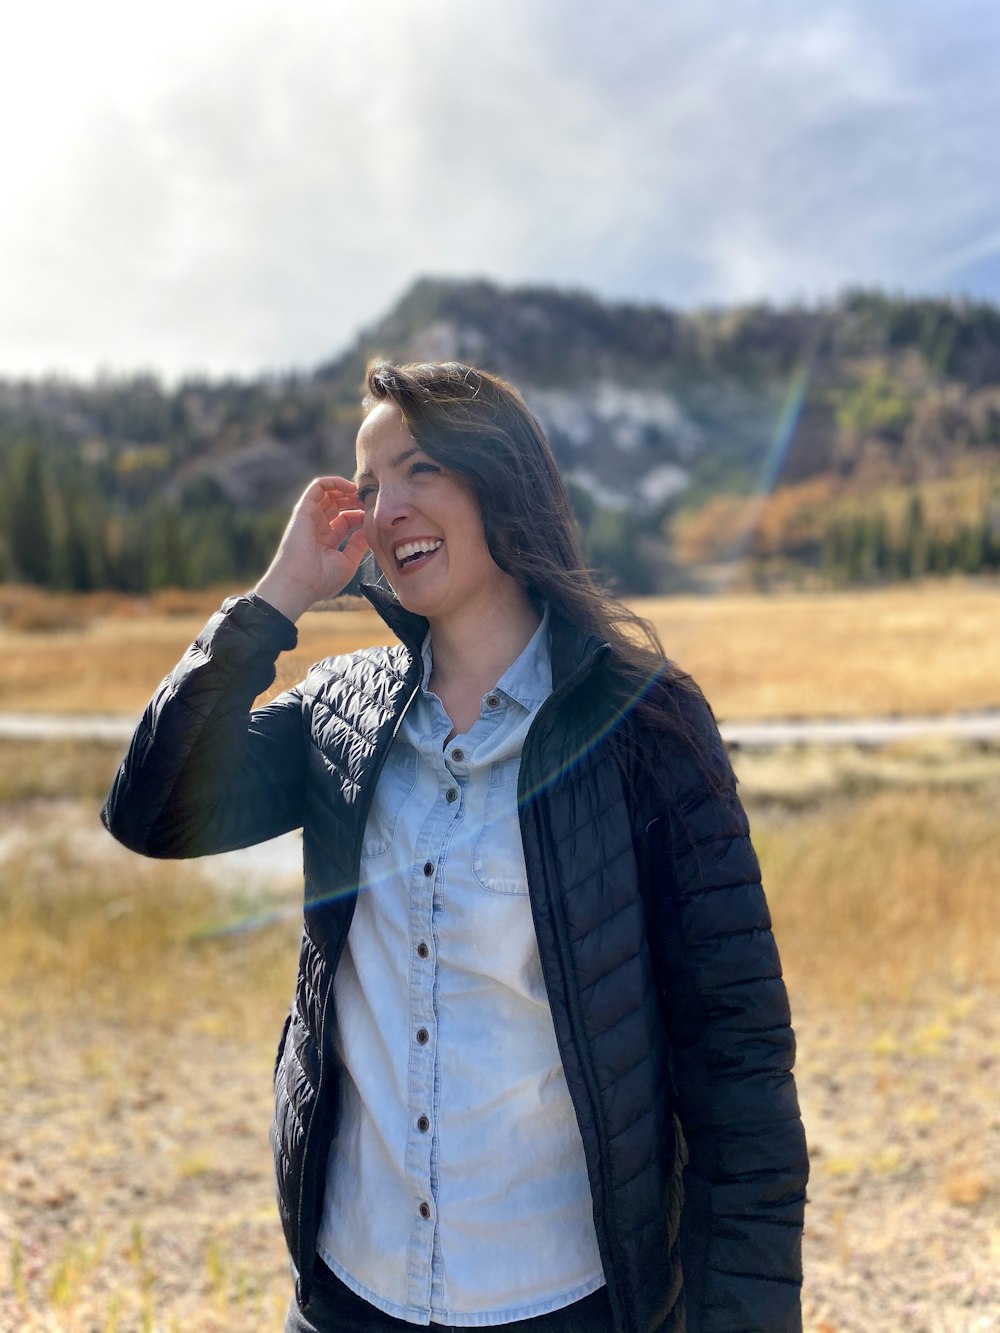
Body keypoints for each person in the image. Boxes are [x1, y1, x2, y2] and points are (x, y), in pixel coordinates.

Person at [102, 361, 808, 1333]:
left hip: (564, 1297)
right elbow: (152, 809)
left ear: (503, 480)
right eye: (368, 482)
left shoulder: (644, 722)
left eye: (419, 467)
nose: (386, 506)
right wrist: (274, 599)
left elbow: (737, 1058)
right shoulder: (339, 712)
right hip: (353, 1290)